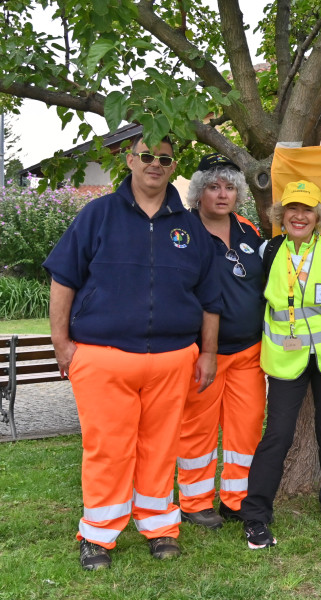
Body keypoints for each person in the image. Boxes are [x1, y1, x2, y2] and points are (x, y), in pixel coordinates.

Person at [43, 136, 222, 570]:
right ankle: (99, 536)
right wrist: (61, 343)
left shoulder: (190, 225)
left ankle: (160, 526)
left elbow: (210, 298)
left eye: (163, 159)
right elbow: (63, 280)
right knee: (108, 448)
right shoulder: (97, 214)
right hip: (104, 357)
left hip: (173, 358)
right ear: (130, 160)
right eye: (146, 156)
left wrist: (208, 354)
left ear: (172, 165)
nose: (154, 165)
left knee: (160, 447)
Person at [239, 180, 321, 549]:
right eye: (292, 209)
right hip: (285, 359)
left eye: (307, 210)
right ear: (282, 215)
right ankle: (256, 516)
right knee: (277, 435)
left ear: (317, 217)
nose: (299, 216)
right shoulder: (268, 250)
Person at [176, 154, 267, 530]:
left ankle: (237, 499)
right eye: (214, 186)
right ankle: (194, 502)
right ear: (199, 192)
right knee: (197, 429)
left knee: (246, 428)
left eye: (229, 187)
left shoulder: (248, 229)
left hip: (249, 351)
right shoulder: (181, 230)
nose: (222, 194)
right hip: (203, 354)